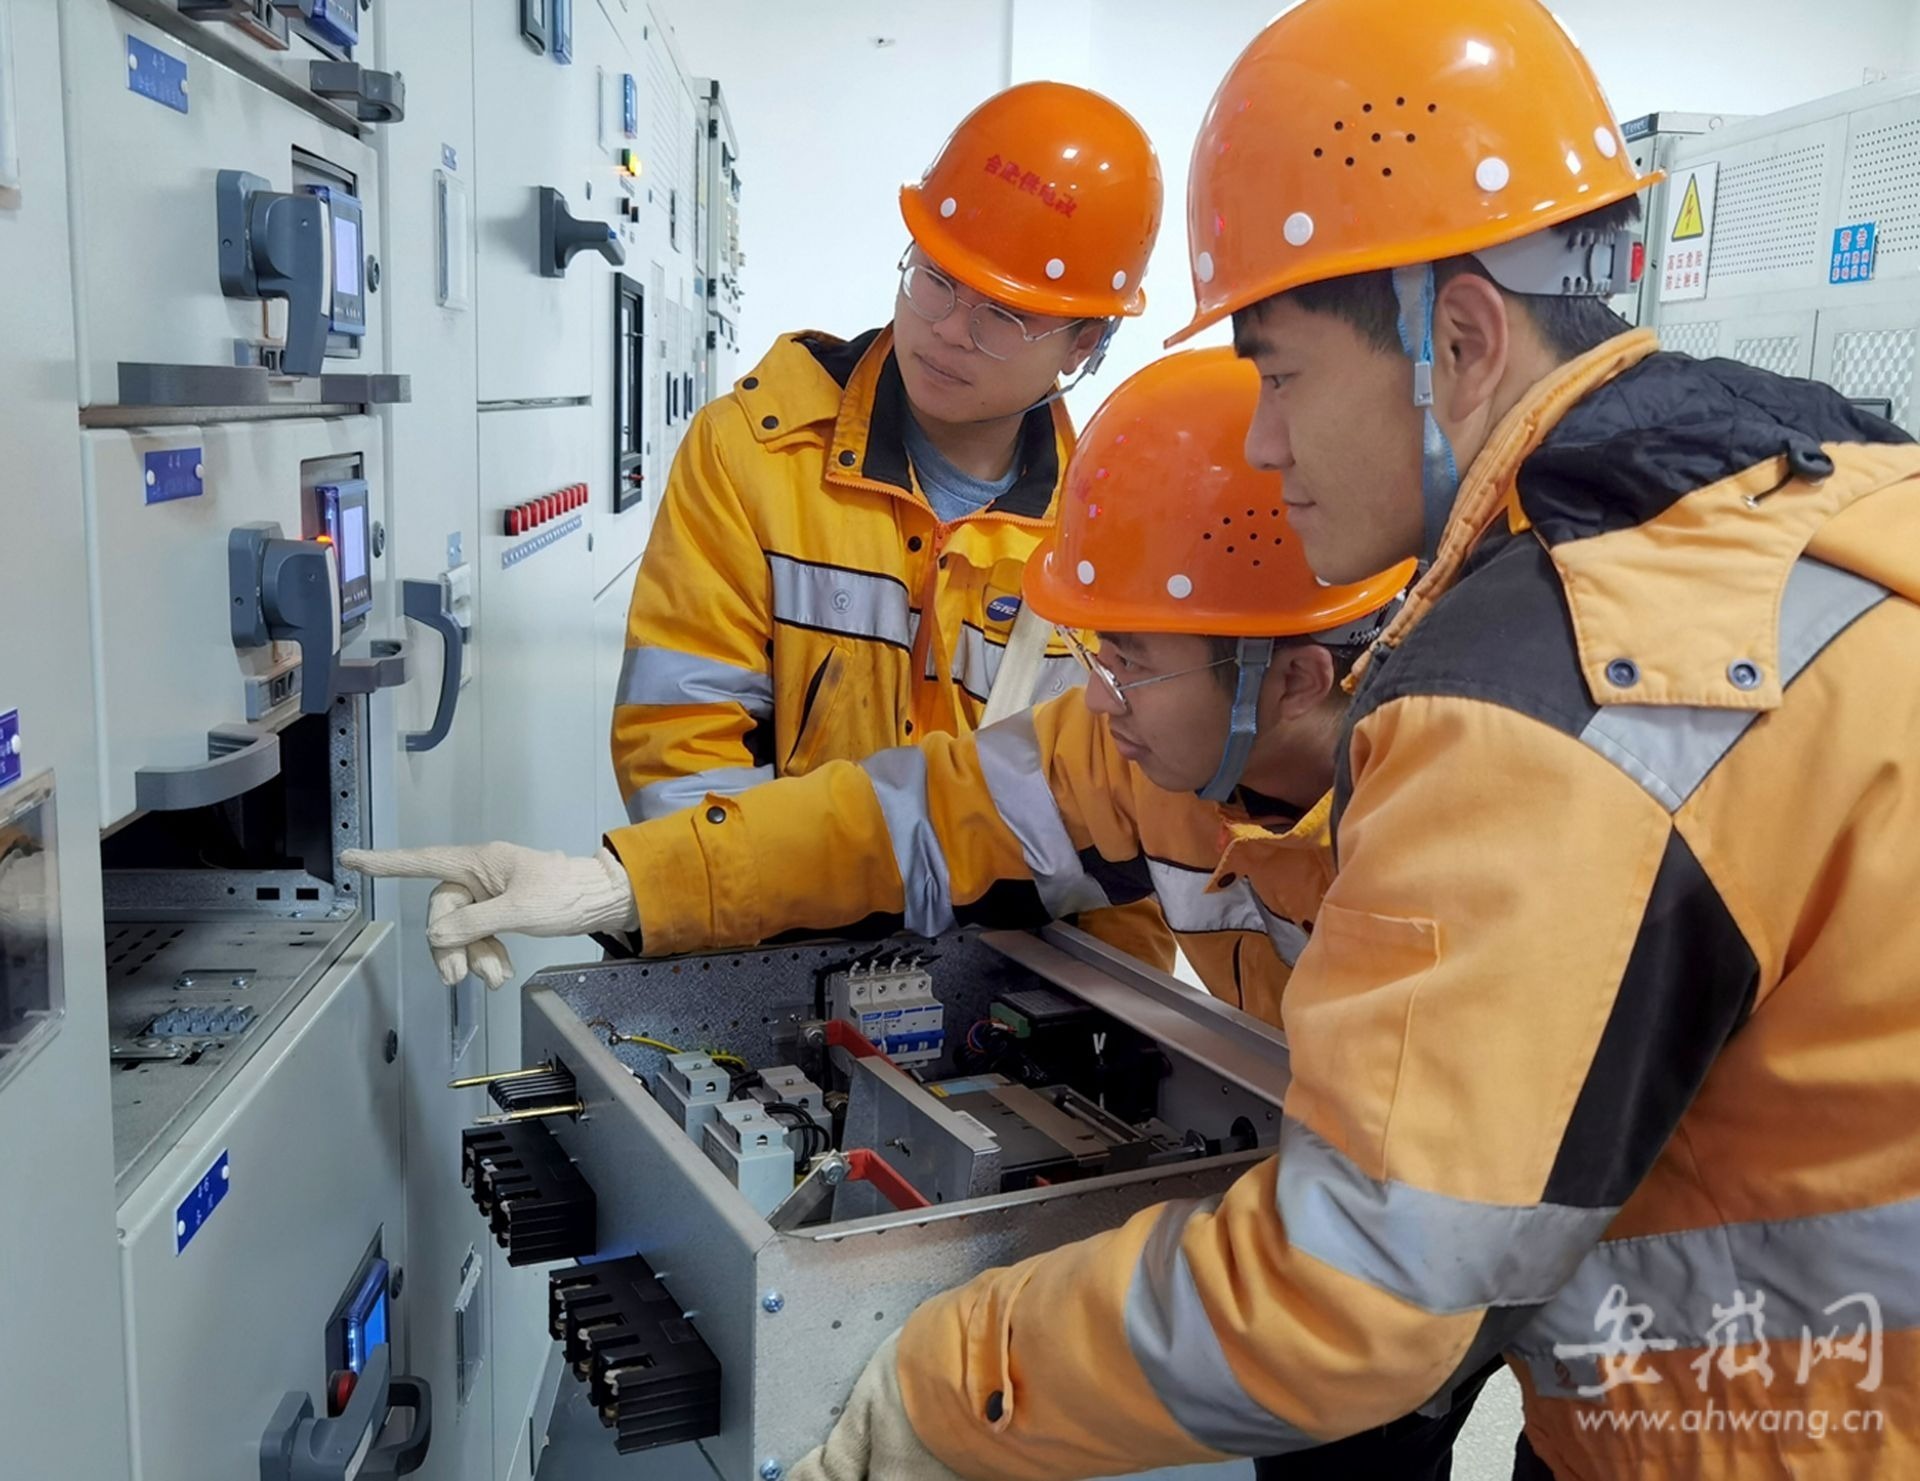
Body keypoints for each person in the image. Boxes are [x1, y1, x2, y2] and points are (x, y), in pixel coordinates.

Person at [773, 1, 1920, 1478]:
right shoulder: (1822, 495)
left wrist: (941, 1390)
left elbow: (1353, 1289)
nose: (1261, 443)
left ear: (1458, 336)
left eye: (1282, 372)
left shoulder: (1539, 683)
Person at [348, 348, 1487, 1475]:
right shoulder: (1139, 752)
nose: (1094, 694)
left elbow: (1386, 1269)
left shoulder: (1459, 839)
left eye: (1128, 659)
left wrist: (944, 1394)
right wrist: (621, 882)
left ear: (1287, 680)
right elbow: (898, 820)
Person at [610, 79, 1172, 968]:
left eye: (1004, 315)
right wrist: (746, 959)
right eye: (937, 280)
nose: (949, 331)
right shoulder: (754, 453)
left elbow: (1128, 831)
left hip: (1018, 974)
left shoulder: (1117, 533)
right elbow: (682, 750)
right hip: (774, 950)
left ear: (1084, 347)